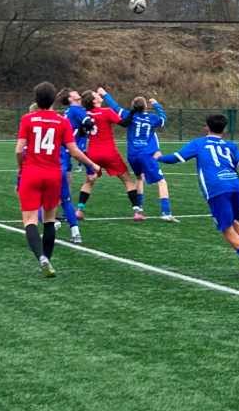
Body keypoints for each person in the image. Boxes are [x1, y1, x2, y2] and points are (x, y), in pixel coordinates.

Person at [156, 114, 239, 277]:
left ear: (207, 128)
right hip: (234, 185)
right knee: (233, 222)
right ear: (225, 130)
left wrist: (158, 157)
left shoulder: (198, 143)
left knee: (226, 229)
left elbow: (174, 159)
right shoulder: (231, 145)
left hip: (217, 188)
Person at [15, 82, 100, 277]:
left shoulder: (27, 119)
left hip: (31, 172)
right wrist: (92, 165)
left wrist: (21, 167)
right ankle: (48, 260)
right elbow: (74, 151)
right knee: (49, 218)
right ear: (54, 100)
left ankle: (41, 258)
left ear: (36, 100)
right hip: (53, 174)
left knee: (30, 220)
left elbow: (19, 150)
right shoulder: (62, 122)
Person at [99, 88, 179, 223]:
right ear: (146, 107)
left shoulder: (129, 115)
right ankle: (166, 213)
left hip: (132, 155)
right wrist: (157, 105)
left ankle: (139, 208)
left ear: (133, 107)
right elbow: (164, 120)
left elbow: (115, 106)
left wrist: (105, 94)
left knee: (139, 177)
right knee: (161, 182)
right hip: (146, 154)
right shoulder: (151, 118)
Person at [77, 90, 143, 221]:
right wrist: (133, 112)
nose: (98, 95)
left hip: (93, 154)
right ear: (94, 101)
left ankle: (79, 210)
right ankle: (137, 212)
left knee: (89, 182)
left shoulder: (84, 114)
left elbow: (81, 133)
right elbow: (124, 123)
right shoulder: (106, 111)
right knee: (128, 180)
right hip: (109, 153)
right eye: (96, 95)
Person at [57, 87, 95, 225]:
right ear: (70, 98)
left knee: (66, 177)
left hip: (65, 147)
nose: (77, 93)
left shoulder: (71, 111)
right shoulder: (75, 109)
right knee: (63, 179)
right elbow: (89, 123)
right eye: (73, 93)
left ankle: (66, 209)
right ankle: (54, 208)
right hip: (67, 148)